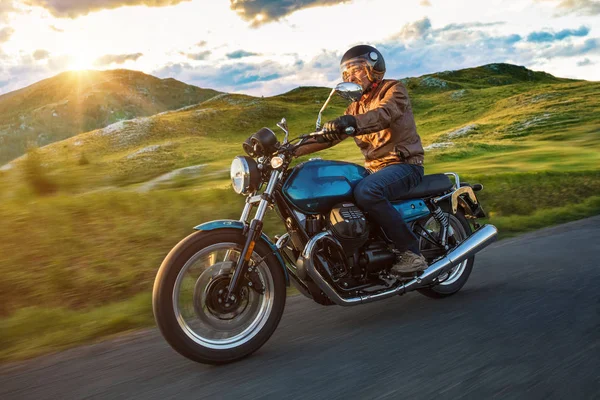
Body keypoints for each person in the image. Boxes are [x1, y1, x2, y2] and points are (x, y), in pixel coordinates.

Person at [294, 44, 427, 275]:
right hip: (375, 171)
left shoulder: (393, 90)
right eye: (346, 73)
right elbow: (328, 138)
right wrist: (289, 151)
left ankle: (412, 253)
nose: (351, 77)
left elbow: (383, 115)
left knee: (367, 192)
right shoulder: (354, 107)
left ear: (374, 68)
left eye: (356, 70)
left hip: (405, 165)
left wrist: (352, 123)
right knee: (338, 194)